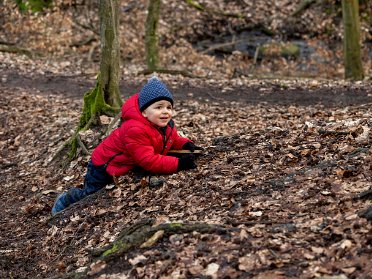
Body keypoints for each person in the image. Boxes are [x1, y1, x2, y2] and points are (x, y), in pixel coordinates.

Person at [51, 76, 200, 215]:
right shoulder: (135, 129)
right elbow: (148, 160)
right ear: (144, 112)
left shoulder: (166, 125)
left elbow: (172, 139)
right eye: (159, 107)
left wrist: (186, 144)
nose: (165, 112)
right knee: (90, 194)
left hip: (125, 162)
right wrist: (179, 164)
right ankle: (64, 200)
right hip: (103, 164)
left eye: (169, 107)